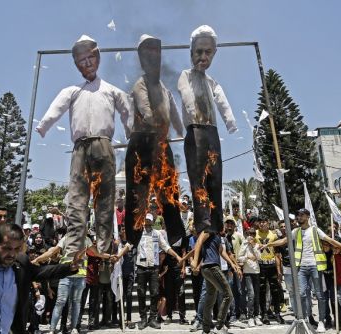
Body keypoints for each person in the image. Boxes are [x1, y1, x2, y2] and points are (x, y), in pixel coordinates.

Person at [36, 34, 131, 257]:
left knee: (104, 199)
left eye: (90, 58)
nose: (86, 63)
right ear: (77, 65)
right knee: (77, 198)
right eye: (81, 61)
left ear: (97, 59)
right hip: (79, 147)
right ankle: (72, 249)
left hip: (103, 144)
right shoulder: (72, 91)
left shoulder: (111, 90)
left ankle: (103, 248)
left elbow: (127, 111)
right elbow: (56, 108)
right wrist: (43, 126)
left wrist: (132, 134)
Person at [125, 34, 186, 248]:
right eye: (148, 52)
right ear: (142, 58)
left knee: (170, 189)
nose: (153, 56)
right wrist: (161, 127)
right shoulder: (139, 85)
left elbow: (177, 119)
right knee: (138, 192)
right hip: (141, 144)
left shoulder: (165, 90)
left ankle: (176, 234)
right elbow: (146, 112)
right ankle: (132, 237)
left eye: (156, 51)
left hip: (161, 143)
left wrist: (183, 130)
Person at [178, 25, 237, 235]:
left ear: (214, 53)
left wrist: (230, 122)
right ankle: (203, 220)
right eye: (199, 52)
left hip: (212, 131)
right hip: (195, 131)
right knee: (198, 177)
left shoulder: (212, 82)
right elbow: (185, 93)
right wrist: (192, 110)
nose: (203, 57)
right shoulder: (186, 75)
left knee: (215, 177)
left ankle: (216, 221)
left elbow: (222, 100)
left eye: (208, 52)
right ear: (191, 52)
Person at [266, 208, 341, 332]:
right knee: (301, 294)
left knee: (319, 295)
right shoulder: (295, 231)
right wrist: (268, 244)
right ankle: (305, 319)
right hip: (301, 267)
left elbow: (330, 240)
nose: (299, 217)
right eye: (298, 215)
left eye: (302, 215)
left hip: (315, 266)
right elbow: (283, 241)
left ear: (307, 216)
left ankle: (321, 322)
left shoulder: (315, 230)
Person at [135, 213, 183, 329]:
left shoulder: (157, 234)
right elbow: (129, 244)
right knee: (141, 293)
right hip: (141, 267)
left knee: (155, 293)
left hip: (154, 268)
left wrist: (177, 257)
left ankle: (152, 318)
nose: (147, 222)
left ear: (152, 222)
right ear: (143, 221)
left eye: (149, 220)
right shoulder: (138, 233)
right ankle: (143, 319)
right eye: (146, 220)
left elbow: (166, 247)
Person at [191, 229, 242, 334]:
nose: (225, 227)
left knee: (210, 298)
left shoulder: (217, 235)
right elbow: (199, 242)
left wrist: (232, 264)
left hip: (208, 269)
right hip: (211, 267)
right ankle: (219, 327)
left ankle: (206, 331)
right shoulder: (209, 229)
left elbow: (221, 251)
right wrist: (195, 261)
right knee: (228, 295)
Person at [237, 227, 261, 328]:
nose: (251, 236)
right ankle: (250, 317)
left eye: (253, 234)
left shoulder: (257, 245)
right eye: (249, 234)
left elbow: (259, 257)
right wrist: (247, 257)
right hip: (247, 272)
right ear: (247, 234)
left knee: (256, 295)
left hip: (256, 272)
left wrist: (254, 246)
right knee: (251, 294)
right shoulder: (244, 244)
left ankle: (256, 316)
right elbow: (239, 257)